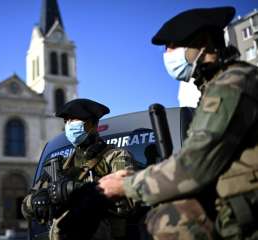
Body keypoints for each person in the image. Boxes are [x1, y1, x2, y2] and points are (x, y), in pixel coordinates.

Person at [98, 6, 258, 240]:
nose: (167, 54)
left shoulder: (232, 84)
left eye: (173, 46)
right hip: (238, 201)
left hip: (246, 207)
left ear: (201, 44)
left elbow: (193, 167)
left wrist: (125, 186)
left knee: (170, 219)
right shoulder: (216, 86)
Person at [22, 98, 139, 240]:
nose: (68, 126)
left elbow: (131, 201)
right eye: (66, 122)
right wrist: (36, 200)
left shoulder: (116, 157)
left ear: (91, 124)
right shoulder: (58, 165)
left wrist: (78, 190)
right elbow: (25, 208)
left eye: (73, 120)